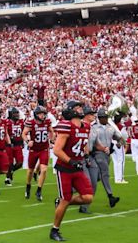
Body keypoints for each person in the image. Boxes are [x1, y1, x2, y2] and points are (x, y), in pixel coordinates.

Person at [50, 100, 93, 242]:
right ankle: (54, 230)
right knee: (66, 199)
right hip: (65, 168)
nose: (81, 109)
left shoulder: (86, 127)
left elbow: (84, 144)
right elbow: (57, 150)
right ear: (71, 110)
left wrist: (86, 156)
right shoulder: (66, 126)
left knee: (88, 197)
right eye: (78, 107)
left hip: (77, 167)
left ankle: (62, 201)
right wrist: (71, 161)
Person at [79, 107, 120, 214]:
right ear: (87, 115)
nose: (94, 116)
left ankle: (80, 201)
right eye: (92, 114)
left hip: (92, 156)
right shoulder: (84, 126)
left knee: (94, 180)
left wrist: (106, 147)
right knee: (93, 180)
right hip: (84, 157)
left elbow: (95, 142)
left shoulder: (94, 127)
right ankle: (109, 196)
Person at [23, 105, 54, 201]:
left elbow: (51, 132)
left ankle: (39, 190)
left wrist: (52, 140)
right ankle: (28, 186)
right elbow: (24, 133)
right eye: (40, 114)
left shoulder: (47, 122)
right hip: (34, 150)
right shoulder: (31, 123)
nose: (42, 116)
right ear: (36, 115)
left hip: (44, 149)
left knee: (44, 169)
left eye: (43, 114)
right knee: (30, 171)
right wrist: (28, 141)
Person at [5, 107, 24, 186]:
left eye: (17, 113)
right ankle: (8, 178)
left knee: (20, 163)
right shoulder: (7, 123)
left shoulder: (21, 122)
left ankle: (10, 172)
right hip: (9, 145)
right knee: (10, 163)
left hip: (18, 144)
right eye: (14, 113)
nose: (16, 115)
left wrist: (23, 141)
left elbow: (23, 132)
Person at [111, 113, 129, 184]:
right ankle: (120, 179)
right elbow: (125, 136)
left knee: (115, 162)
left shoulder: (111, 126)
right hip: (119, 143)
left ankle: (117, 178)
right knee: (121, 161)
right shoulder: (121, 127)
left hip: (112, 143)